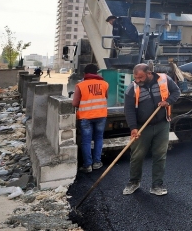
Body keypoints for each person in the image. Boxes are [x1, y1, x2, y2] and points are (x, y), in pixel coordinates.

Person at [123, 63, 180, 196]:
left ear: (149, 73)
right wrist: (133, 128)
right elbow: (129, 110)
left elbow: (176, 91)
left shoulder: (164, 79)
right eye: (136, 77)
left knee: (160, 155)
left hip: (162, 124)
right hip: (142, 127)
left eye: (141, 77)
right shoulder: (133, 88)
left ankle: (157, 185)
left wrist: (168, 101)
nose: (138, 80)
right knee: (137, 156)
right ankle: (134, 182)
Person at [72, 63, 109, 173]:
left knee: (86, 141)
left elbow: (74, 103)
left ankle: (87, 165)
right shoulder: (105, 84)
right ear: (97, 73)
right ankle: (97, 162)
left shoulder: (80, 85)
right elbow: (105, 97)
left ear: (85, 74)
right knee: (98, 138)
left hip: (85, 117)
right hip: (101, 115)